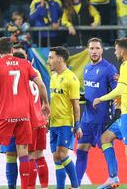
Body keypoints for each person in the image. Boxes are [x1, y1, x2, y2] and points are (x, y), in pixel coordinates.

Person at [0, 37, 50, 189]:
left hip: (4, 113)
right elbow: (40, 84)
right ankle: (26, 187)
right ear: (12, 50)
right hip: (24, 115)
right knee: (24, 152)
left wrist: (1, 92)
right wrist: (45, 103)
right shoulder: (25, 64)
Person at [93, 37, 127, 189]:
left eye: (116, 49)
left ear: (122, 51)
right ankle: (112, 177)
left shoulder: (126, 65)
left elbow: (120, 89)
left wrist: (101, 99)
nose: (115, 52)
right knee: (105, 138)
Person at [75, 37, 118, 186]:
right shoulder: (86, 68)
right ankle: (76, 184)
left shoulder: (109, 68)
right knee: (80, 149)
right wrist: (80, 97)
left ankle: (113, 177)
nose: (94, 51)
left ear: (102, 50)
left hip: (103, 118)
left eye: (97, 48)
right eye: (91, 48)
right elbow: (90, 92)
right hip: (87, 119)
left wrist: (115, 112)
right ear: (88, 50)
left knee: (106, 145)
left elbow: (117, 91)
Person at [46, 46, 82, 189]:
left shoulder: (71, 79)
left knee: (61, 155)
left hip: (66, 124)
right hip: (53, 123)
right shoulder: (53, 77)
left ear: (60, 59)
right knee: (56, 157)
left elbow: (76, 105)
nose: (48, 61)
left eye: (51, 57)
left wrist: (77, 125)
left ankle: (75, 185)